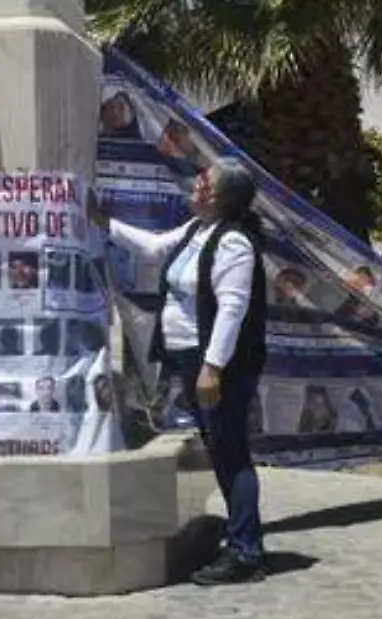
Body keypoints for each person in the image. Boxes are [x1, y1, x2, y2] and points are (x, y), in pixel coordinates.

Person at [93, 161, 269, 585]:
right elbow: (154, 249)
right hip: (190, 359)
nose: (195, 186)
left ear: (220, 195)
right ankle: (242, 540)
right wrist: (102, 221)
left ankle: (247, 552)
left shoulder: (233, 243)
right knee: (219, 447)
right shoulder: (196, 231)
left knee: (230, 452)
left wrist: (213, 367)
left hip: (216, 365)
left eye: (203, 182)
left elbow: (232, 308)